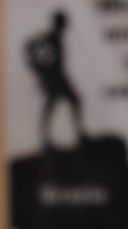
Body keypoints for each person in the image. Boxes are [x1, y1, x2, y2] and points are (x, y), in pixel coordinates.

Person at [26, 9, 85, 150]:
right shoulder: (49, 38)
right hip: (53, 80)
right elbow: (30, 46)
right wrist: (40, 71)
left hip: (60, 78)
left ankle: (78, 134)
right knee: (52, 107)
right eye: (63, 23)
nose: (64, 26)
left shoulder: (56, 38)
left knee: (73, 102)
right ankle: (46, 138)